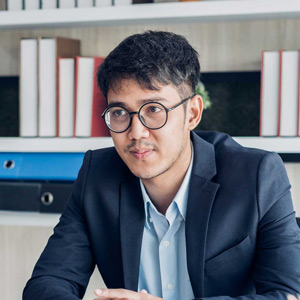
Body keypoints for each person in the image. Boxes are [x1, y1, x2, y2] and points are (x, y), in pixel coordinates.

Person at [23, 31, 300, 300]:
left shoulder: (257, 174)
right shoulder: (97, 174)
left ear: (192, 114)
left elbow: (287, 293)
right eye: (119, 112)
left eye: (154, 109)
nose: (136, 133)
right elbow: (48, 283)